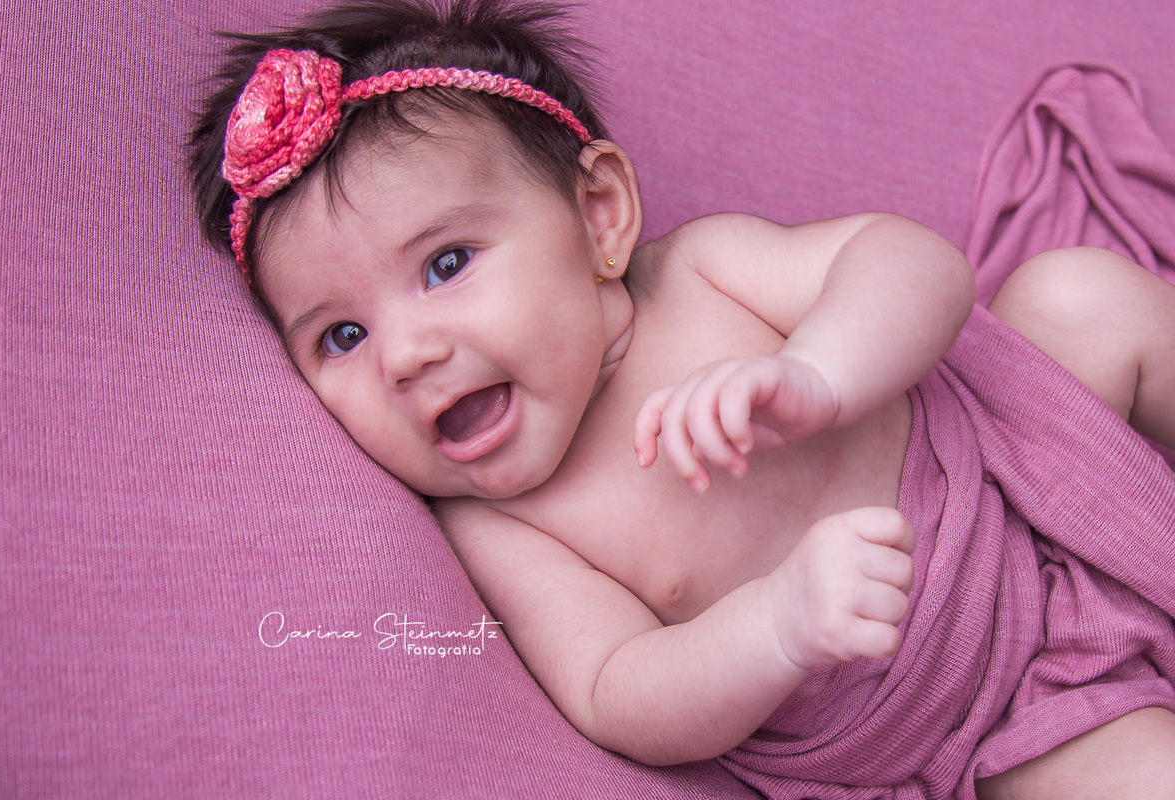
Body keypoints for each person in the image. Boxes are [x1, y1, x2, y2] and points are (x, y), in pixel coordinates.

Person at [187, 1, 1175, 796]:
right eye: (342, 336)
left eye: (447, 263)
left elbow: (911, 262)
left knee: (1076, 296)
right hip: (989, 704)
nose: (407, 355)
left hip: (1022, 471)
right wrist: (776, 627)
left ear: (600, 216)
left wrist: (820, 371)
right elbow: (615, 689)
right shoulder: (503, 521)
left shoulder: (702, 271)